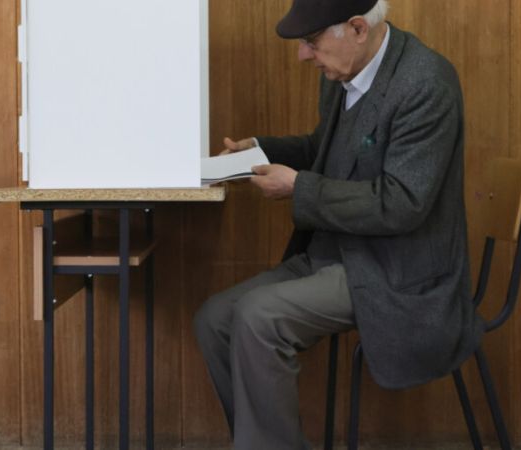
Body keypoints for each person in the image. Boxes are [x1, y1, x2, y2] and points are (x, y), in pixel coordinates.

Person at [192, 0, 484, 448]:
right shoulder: (342, 75)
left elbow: (403, 202)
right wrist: (261, 149)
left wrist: (299, 188)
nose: (303, 56)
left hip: (397, 271)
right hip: (339, 252)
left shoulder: (426, 83)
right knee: (217, 318)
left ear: (356, 29)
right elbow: (325, 148)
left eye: (311, 43)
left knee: (258, 317)